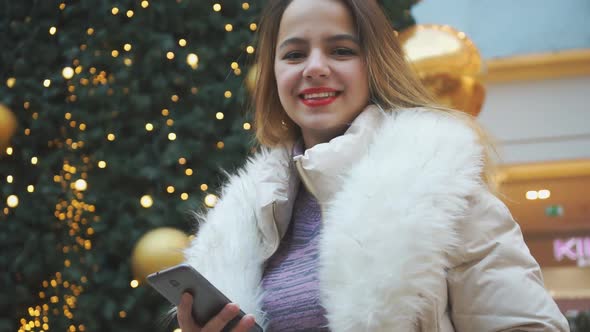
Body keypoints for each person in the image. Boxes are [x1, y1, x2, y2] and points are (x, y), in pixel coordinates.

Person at [175, 0, 569, 331]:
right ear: (274, 74)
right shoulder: (241, 223)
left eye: (341, 50)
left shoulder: (441, 187)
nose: (314, 67)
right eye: (294, 54)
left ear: (374, 64)